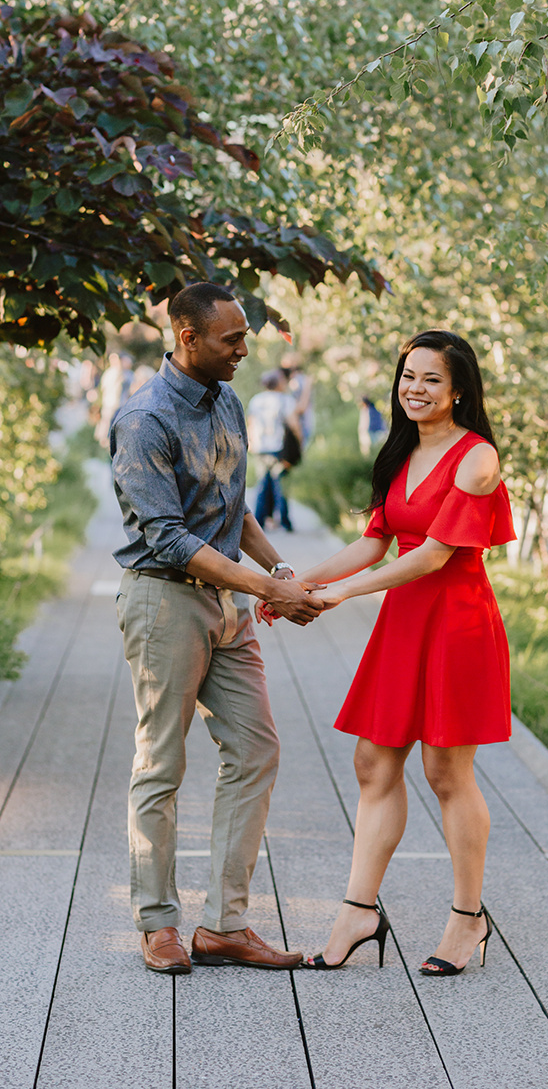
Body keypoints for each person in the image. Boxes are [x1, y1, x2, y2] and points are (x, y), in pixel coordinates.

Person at [281, 329, 515, 977]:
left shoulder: (477, 458)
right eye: (408, 376)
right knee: (373, 762)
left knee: (447, 772)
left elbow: (435, 554)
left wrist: (338, 597)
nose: (414, 388)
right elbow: (373, 543)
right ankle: (359, 911)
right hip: (405, 622)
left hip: (458, 624)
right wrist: (299, 584)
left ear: (459, 389)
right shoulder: (401, 449)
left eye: (430, 379)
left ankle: (469, 919)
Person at [110, 281, 323, 976]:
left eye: (244, 335)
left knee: (256, 750)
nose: (244, 348)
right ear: (186, 337)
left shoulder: (226, 399)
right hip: (165, 601)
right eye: (231, 338)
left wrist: (280, 569)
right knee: (161, 765)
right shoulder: (143, 419)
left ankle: (226, 924)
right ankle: (158, 923)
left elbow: (234, 508)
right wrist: (268, 589)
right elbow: (168, 537)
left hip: (229, 605)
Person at [246, 369, 300, 532]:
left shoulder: (256, 400)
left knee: (262, 484)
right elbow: (294, 425)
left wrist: (251, 443)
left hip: (261, 448)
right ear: (278, 384)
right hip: (279, 449)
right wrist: (299, 443)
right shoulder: (285, 400)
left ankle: (259, 521)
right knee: (280, 485)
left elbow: (251, 423)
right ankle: (285, 521)